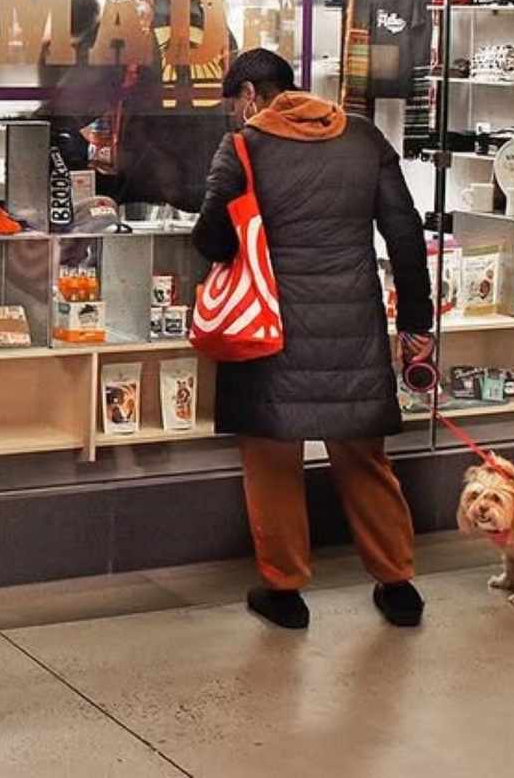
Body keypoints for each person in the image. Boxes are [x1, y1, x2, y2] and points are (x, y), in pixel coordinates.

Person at [190, 48, 434, 632]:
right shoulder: (364, 137)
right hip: (352, 326)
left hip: (269, 327)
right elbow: (405, 232)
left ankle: (285, 591)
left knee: (273, 459)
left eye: (234, 104)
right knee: (364, 457)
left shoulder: (245, 146)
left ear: (249, 95)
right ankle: (397, 584)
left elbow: (210, 238)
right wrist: (416, 325)